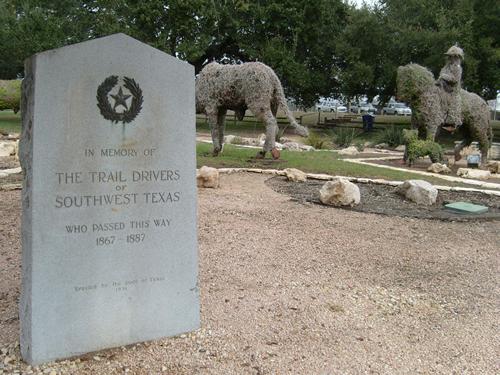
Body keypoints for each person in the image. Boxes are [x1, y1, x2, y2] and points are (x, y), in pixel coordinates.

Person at [436, 45, 464, 132]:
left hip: (452, 90)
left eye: (452, 56)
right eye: (450, 56)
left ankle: (452, 123)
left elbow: (455, 80)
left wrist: (444, 77)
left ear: (456, 57)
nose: (451, 58)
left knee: (454, 102)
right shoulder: (446, 67)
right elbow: (441, 75)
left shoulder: (458, 68)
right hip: (442, 86)